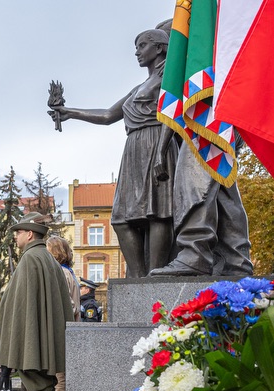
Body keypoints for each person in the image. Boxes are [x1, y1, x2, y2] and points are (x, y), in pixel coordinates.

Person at [50, 28, 178, 277]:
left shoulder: (169, 79)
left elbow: (171, 115)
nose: (137, 52)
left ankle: (154, 275)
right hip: (133, 148)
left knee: (158, 212)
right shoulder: (139, 87)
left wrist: (162, 151)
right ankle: (138, 279)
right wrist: (70, 112)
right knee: (121, 218)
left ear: (159, 48)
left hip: (157, 142)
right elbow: (109, 115)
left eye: (142, 46)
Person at [0, 219, 75, 391]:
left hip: (32, 331)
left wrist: (23, 336)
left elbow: (25, 305)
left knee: (38, 380)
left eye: (18, 232)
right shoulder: (44, 257)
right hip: (40, 330)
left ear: (29, 234)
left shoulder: (31, 258)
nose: (15, 237)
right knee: (42, 380)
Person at [46, 235, 81, 391]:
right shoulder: (68, 272)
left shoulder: (60, 273)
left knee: (59, 379)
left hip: (61, 333)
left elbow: (69, 305)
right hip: (68, 332)